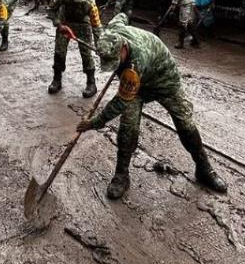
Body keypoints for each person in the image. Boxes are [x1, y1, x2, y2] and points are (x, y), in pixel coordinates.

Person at [77, 13, 227, 200]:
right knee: (128, 126)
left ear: (124, 47)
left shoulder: (136, 62)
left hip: (164, 80)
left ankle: (204, 169)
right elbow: (121, 16)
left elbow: (120, 102)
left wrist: (94, 123)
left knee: (185, 123)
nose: (114, 66)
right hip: (138, 88)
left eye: (116, 60)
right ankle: (121, 175)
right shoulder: (113, 31)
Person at [47, 0, 102, 97]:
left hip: (83, 25)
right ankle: (57, 80)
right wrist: (58, 24)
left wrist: (99, 44)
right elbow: (50, 10)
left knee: (86, 54)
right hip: (65, 23)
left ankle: (91, 83)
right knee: (59, 51)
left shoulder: (90, 2)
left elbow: (96, 25)